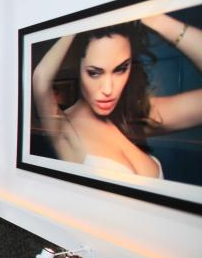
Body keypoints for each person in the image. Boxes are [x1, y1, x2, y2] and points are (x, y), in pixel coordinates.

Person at [32, 14, 202, 179]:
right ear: (78, 69)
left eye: (120, 69)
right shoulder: (64, 127)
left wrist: (155, 19)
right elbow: (41, 79)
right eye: (94, 73)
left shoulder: (134, 116)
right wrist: (76, 23)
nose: (108, 89)